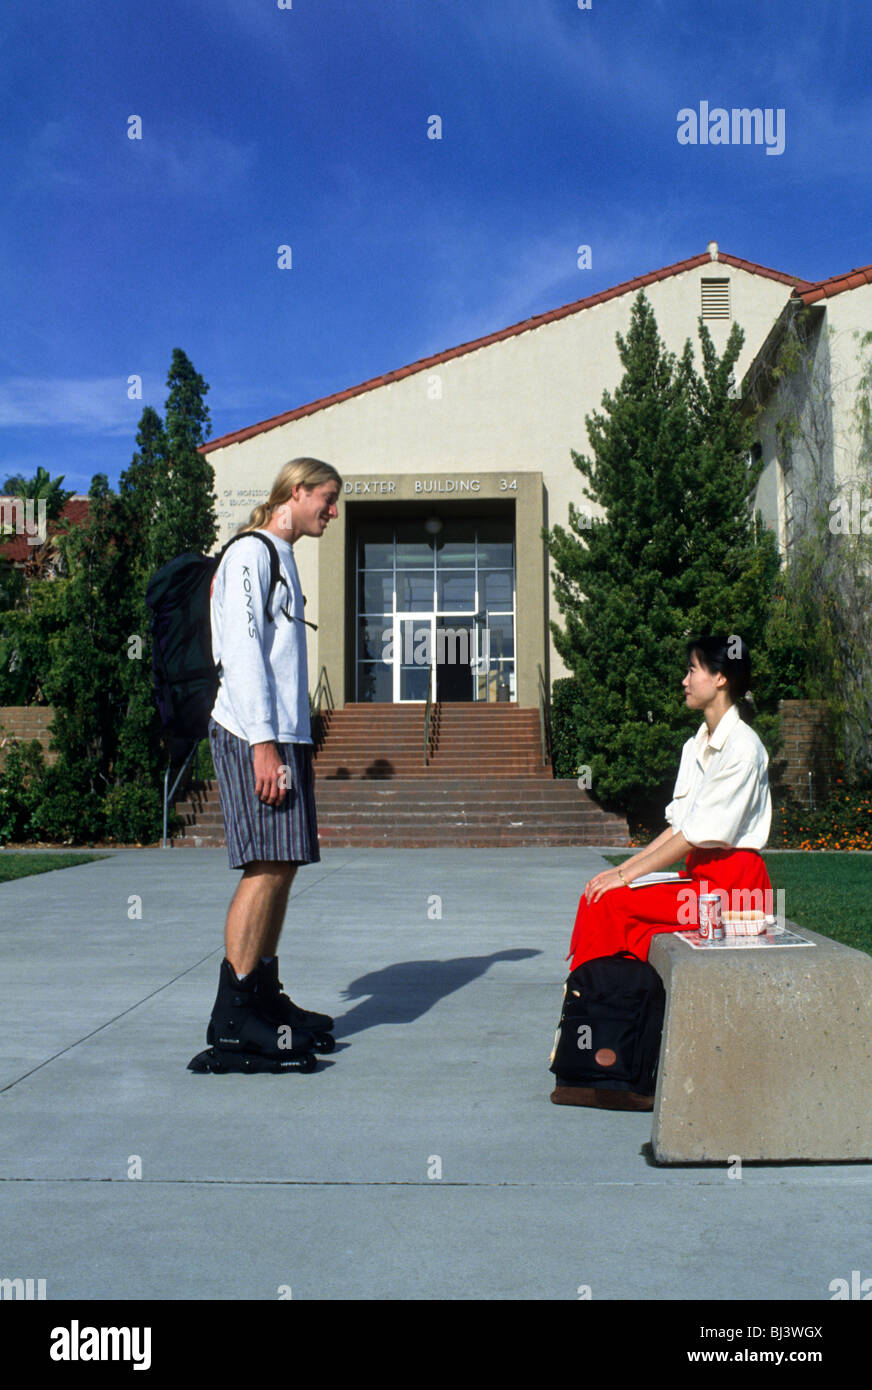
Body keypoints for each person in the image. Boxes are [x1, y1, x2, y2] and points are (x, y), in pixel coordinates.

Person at [191, 457, 342, 1074]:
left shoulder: (282, 555)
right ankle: (233, 1018)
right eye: (327, 499)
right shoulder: (250, 553)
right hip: (253, 732)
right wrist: (261, 744)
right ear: (296, 492)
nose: (332, 511)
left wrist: (286, 739)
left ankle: (261, 998)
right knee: (264, 862)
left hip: (282, 734)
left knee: (283, 864)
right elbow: (244, 652)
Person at [565, 635, 773, 972]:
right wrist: (620, 872)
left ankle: (597, 1005)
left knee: (612, 903)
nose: (684, 681)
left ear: (720, 678)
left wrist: (625, 874)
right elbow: (680, 826)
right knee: (597, 894)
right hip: (700, 879)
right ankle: (591, 1004)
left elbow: (694, 836)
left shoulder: (743, 749)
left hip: (733, 892)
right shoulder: (695, 745)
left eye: (692, 671)